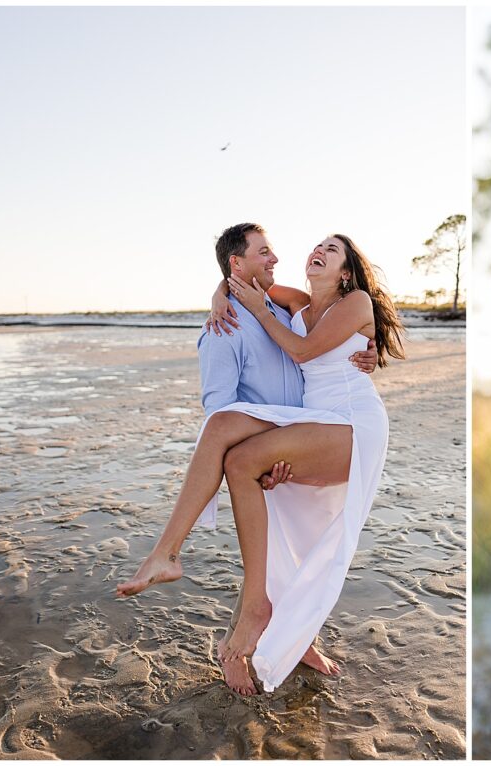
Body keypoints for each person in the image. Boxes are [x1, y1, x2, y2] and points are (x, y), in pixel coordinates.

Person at [117, 224, 404, 696]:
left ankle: (253, 609)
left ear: (347, 272)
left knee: (241, 457)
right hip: (310, 422)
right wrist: (220, 298)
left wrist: (254, 309)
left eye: (331, 250)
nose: (317, 250)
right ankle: (169, 554)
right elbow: (241, 280)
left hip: (352, 424)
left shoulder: (355, 304)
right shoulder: (296, 303)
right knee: (226, 435)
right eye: (317, 245)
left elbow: (304, 349)